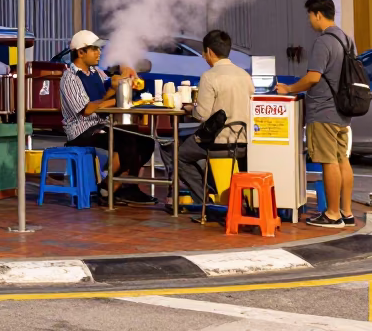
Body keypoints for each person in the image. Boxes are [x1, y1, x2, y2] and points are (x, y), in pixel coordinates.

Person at [276, 0, 354, 229]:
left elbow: (313, 77)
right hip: (342, 111)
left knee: (328, 162)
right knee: (342, 160)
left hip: (323, 111)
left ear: (318, 14)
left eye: (310, 15)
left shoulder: (323, 41)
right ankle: (346, 212)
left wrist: (289, 88)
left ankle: (331, 214)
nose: (309, 20)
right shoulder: (347, 39)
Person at [59, 29, 157, 206]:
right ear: (81, 52)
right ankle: (110, 188)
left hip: (101, 125)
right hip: (82, 130)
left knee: (145, 141)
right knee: (127, 141)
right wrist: (116, 95)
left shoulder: (97, 73)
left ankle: (120, 186)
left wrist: (122, 85)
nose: (99, 53)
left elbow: (106, 96)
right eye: (94, 49)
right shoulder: (70, 78)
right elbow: (87, 110)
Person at [173, 29, 254, 207]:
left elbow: (202, 114)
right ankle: (214, 193)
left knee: (177, 155)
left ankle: (204, 202)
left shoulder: (209, 77)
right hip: (244, 142)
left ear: (209, 52)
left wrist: (189, 108)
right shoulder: (245, 75)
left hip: (219, 142)